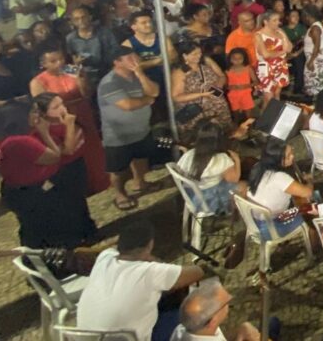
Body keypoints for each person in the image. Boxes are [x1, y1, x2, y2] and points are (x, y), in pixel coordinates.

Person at [0, 99, 94, 247]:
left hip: (18, 189)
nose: (38, 115)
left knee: (35, 224)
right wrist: (44, 132)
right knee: (43, 227)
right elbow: (54, 157)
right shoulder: (21, 141)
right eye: (33, 112)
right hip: (32, 191)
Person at [77, 220, 206, 341]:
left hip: (89, 337)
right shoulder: (149, 272)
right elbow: (197, 273)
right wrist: (152, 259)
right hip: (132, 338)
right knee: (199, 309)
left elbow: (111, 250)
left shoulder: (105, 258)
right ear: (150, 245)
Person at [29, 46, 110, 194]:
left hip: (82, 111)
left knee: (91, 146)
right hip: (59, 118)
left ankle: (99, 180)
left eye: (61, 59)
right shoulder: (38, 81)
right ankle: (82, 185)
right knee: (73, 150)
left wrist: (80, 79)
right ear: (43, 63)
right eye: (53, 61)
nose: (59, 63)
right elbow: (42, 106)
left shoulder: (71, 70)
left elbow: (87, 93)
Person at [98, 46, 160, 211]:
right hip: (119, 136)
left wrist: (140, 74)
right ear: (117, 62)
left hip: (141, 130)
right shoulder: (109, 82)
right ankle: (119, 194)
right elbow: (127, 105)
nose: (136, 61)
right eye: (130, 58)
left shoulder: (137, 76)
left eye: (136, 57)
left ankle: (140, 182)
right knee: (118, 169)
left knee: (141, 158)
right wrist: (147, 100)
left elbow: (154, 91)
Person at [176, 122, 243, 215]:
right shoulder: (221, 159)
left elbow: (181, 168)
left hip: (192, 196)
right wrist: (237, 160)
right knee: (243, 186)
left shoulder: (189, 154)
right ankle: (233, 214)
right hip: (209, 202)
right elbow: (234, 180)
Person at [171, 40, 232, 139]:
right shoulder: (179, 72)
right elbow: (177, 97)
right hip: (196, 111)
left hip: (216, 106)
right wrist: (202, 94)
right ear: (184, 56)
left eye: (199, 53)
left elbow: (221, 76)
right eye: (194, 54)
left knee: (222, 134)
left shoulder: (206, 62)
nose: (198, 56)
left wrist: (218, 86)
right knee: (202, 137)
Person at [175, 279, 263, 341]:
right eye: (225, 303)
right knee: (273, 323)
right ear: (213, 321)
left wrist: (241, 331)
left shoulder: (182, 329)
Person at [254, 10, 292, 102]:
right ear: (266, 22)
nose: (278, 22)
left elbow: (289, 48)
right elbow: (266, 55)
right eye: (274, 20)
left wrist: (283, 35)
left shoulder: (280, 32)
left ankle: (276, 115)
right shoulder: (258, 35)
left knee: (277, 94)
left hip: (280, 66)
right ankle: (265, 116)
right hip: (267, 68)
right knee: (268, 97)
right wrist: (282, 52)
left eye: (278, 20)